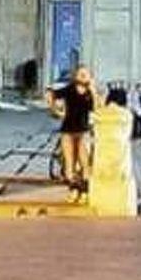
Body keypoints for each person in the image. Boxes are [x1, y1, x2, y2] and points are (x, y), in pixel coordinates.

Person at [47, 65, 97, 203]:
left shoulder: (90, 93)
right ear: (76, 76)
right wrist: (55, 110)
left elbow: (96, 108)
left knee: (85, 163)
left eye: (86, 74)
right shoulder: (69, 89)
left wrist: (93, 92)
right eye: (80, 73)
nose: (83, 76)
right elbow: (51, 93)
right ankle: (74, 190)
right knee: (70, 164)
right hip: (67, 131)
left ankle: (85, 191)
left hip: (83, 131)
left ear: (90, 77)